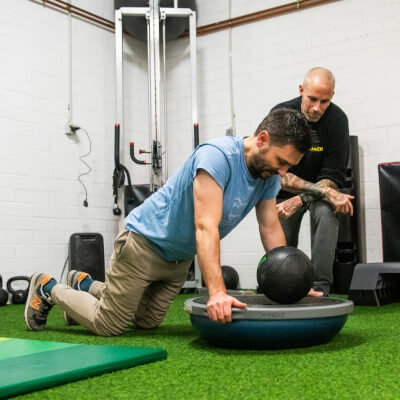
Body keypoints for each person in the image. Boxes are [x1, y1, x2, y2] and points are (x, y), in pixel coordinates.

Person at [24, 108, 315, 337]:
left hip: (178, 259)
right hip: (143, 244)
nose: (283, 172)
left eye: (289, 165)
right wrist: (216, 292)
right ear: (262, 139)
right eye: (281, 161)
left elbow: (269, 226)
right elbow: (206, 226)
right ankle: (49, 288)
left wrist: (289, 282)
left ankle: (85, 285)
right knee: (110, 323)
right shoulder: (217, 157)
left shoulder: (268, 177)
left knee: (146, 322)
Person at [272, 67, 354, 296]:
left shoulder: (337, 120)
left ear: (332, 96)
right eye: (312, 99)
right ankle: (281, 287)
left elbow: (331, 178)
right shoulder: (282, 115)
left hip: (317, 193)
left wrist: (301, 199)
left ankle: (320, 289)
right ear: (301, 90)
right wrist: (300, 197)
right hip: (284, 193)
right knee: (282, 243)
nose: (317, 107)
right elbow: (278, 174)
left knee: (327, 212)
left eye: (324, 101)